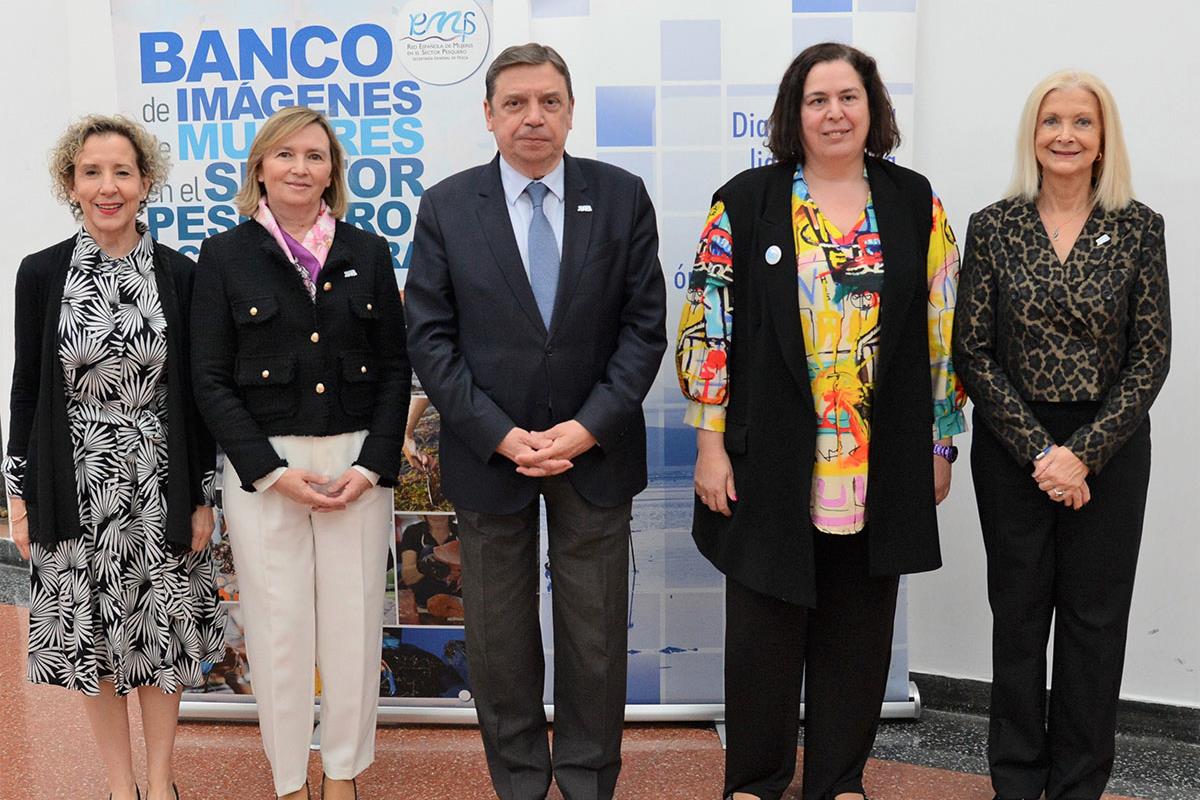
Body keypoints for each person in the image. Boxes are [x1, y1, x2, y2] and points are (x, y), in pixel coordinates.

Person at [676, 42, 965, 800]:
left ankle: (839, 779)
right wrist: (710, 446)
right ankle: (755, 781)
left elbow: (944, 331)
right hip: (769, 455)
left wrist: (942, 442)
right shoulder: (745, 200)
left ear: (872, 108)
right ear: (792, 113)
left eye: (848, 97)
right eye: (817, 99)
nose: (834, 113)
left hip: (882, 456)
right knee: (765, 632)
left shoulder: (914, 201)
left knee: (859, 633)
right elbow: (709, 329)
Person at [405, 42, 667, 800]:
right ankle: (519, 781)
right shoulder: (449, 206)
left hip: (596, 453)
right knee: (498, 643)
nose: (533, 117)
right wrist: (496, 431)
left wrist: (587, 428)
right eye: (515, 103)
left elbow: (643, 329)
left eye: (549, 101)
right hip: (491, 458)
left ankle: (587, 781)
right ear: (488, 115)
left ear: (571, 110)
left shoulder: (621, 196)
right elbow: (429, 335)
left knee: (593, 639)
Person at [952, 70, 1170, 800]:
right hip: (1017, 447)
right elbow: (972, 352)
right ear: (1033, 134)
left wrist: (1083, 453)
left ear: (1104, 137)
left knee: (1094, 624)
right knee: (1018, 617)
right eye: (1053, 121)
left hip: (1108, 449)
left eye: (1083, 122)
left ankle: (1079, 784)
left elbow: (1151, 355)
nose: (1066, 135)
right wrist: (1044, 451)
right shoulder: (993, 225)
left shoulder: (1140, 226)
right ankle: (1015, 782)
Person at [190, 106, 409, 800]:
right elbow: (210, 378)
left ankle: (341, 770)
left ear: (333, 174)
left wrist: (372, 465)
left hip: (355, 467)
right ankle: (288, 778)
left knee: (351, 625)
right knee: (280, 629)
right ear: (259, 167)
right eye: (284, 155)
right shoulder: (223, 255)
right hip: (265, 470)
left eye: (315, 156)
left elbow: (396, 369)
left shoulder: (368, 253)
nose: (300, 168)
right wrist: (270, 471)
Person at [4, 114, 224, 800]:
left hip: (160, 479)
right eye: (91, 172)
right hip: (73, 481)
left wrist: (201, 498)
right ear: (71, 184)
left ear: (146, 181)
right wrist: (17, 497)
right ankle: (119, 785)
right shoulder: (41, 274)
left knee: (161, 640)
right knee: (91, 640)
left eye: (121, 172)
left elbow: (197, 398)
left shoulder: (180, 274)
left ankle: (161, 782)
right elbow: (26, 391)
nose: (108, 186)